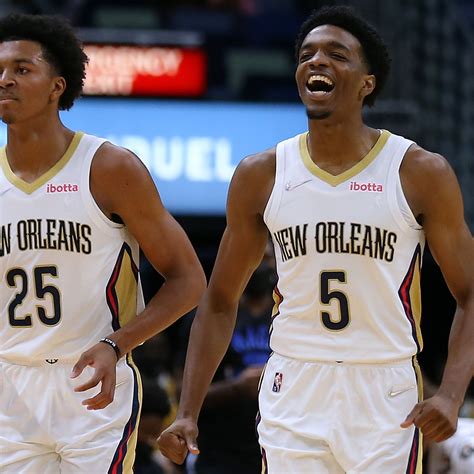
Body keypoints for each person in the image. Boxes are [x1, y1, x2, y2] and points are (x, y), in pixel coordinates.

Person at [158, 5, 474, 473]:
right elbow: (220, 300)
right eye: (307, 54)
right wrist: (188, 411)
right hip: (295, 380)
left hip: (383, 385)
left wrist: (450, 394)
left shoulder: (418, 172)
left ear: (367, 83)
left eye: (337, 54)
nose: (317, 61)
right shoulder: (262, 174)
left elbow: (470, 293)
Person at [0, 13, 206, 473]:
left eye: (21, 69)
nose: (4, 79)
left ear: (56, 87)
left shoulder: (108, 168)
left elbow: (189, 280)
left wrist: (118, 345)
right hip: (9, 386)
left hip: (93, 380)